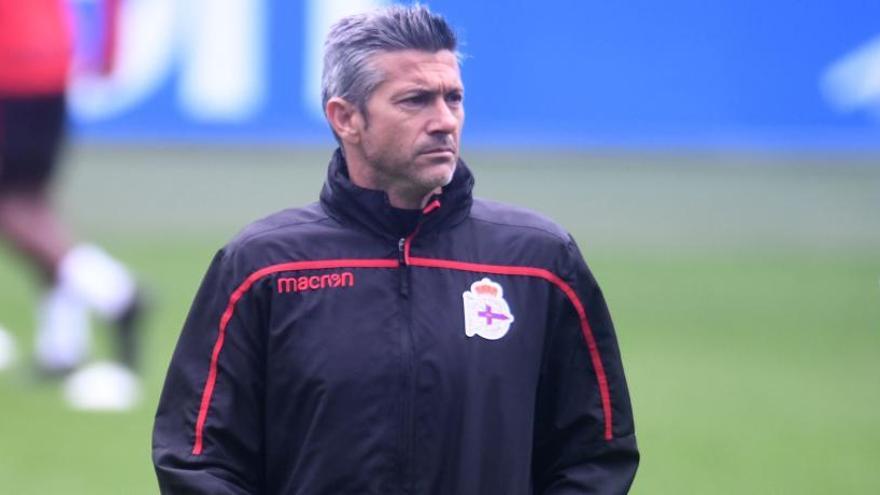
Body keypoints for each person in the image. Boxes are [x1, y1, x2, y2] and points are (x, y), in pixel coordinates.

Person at [153, 5, 638, 493]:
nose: (444, 121)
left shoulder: (539, 263)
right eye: (416, 100)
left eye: (454, 98)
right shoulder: (264, 267)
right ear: (346, 118)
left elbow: (595, 454)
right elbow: (197, 459)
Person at [0, 0, 143, 376]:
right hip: (49, 62)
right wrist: (110, 49)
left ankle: (114, 291)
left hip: (10, 72)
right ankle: (62, 346)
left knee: (13, 208)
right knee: (31, 203)